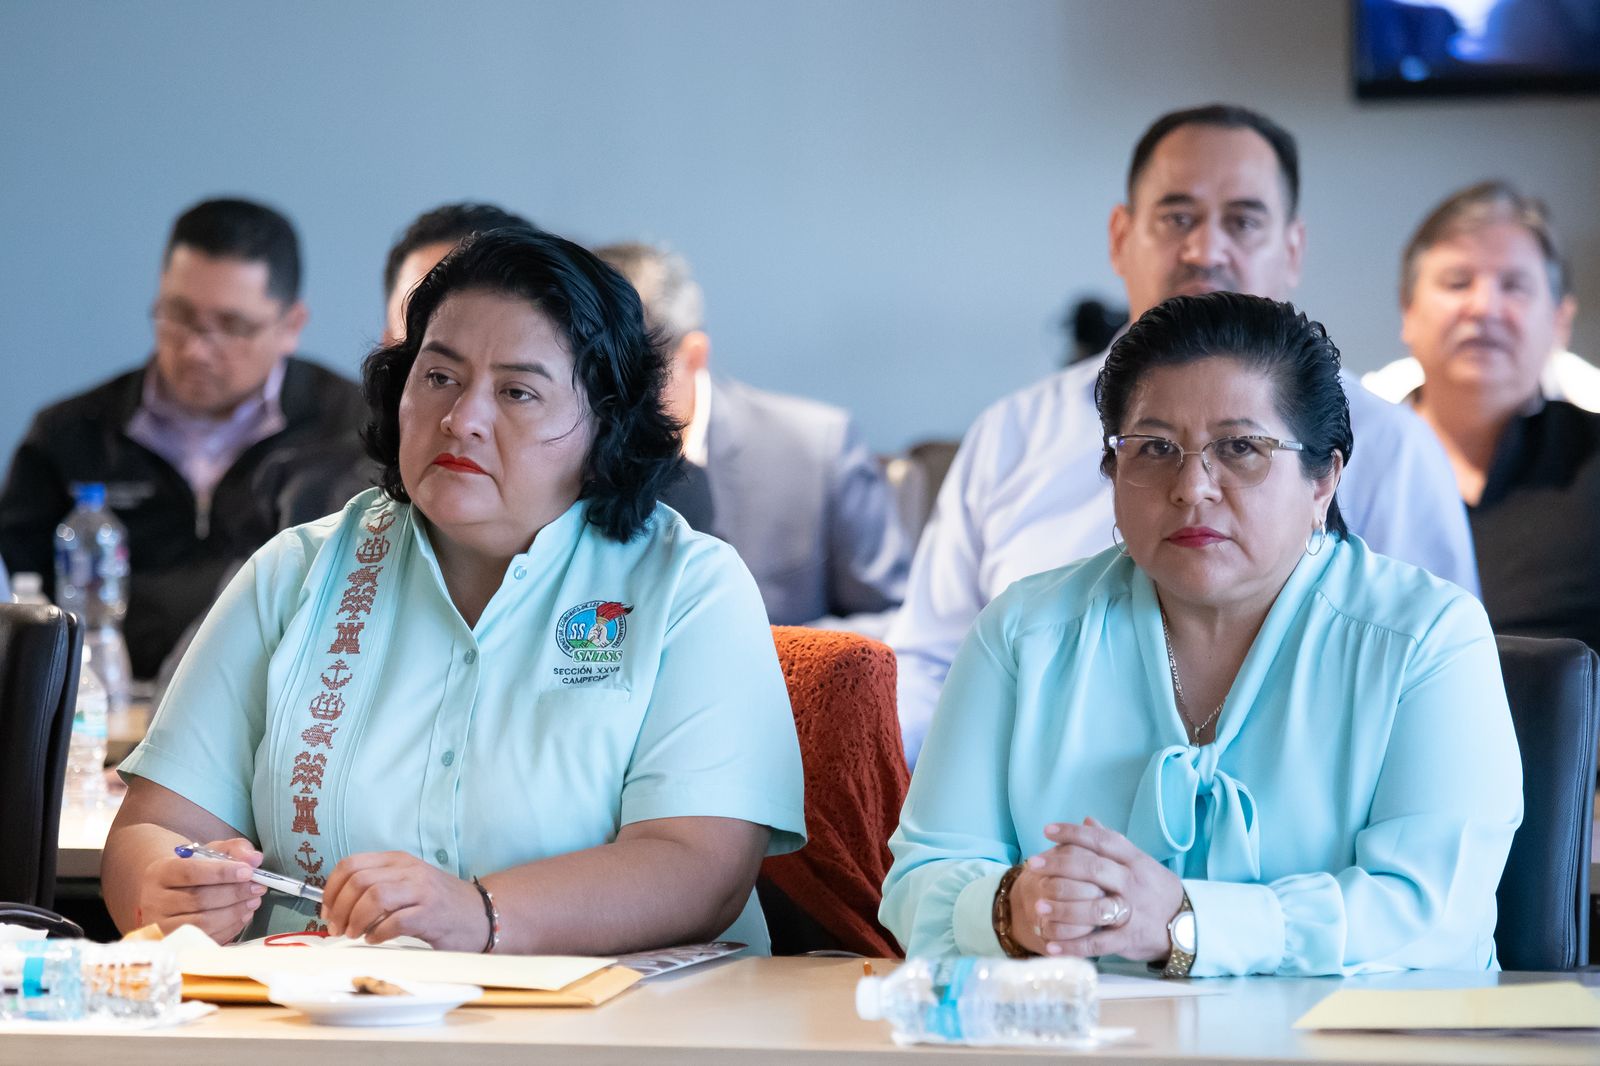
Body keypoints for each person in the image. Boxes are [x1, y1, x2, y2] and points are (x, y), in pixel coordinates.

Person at [103, 228, 806, 955]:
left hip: (619, 1013)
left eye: (518, 392)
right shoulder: (295, 573)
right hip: (319, 1009)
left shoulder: (689, 587)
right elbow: (153, 828)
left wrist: (481, 914)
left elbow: (702, 867)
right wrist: (164, 886)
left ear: (605, 426)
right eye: (439, 377)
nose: (462, 418)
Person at [881, 292, 1521, 976]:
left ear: (1323, 481)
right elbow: (919, 881)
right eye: (1155, 448)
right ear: (1112, 471)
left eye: (1240, 448)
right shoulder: (1022, 634)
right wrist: (1009, 908)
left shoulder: (1428, 638)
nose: (1191, 487)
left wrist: (1187, 923)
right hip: (1090, 1032)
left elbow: (1435, 918)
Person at [886, 104, 1478, 765]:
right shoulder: (1013, 433)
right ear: (1121, 237)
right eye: (1177, 219)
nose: (1204, 251)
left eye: (1243, 222)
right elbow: (928, 663)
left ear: (1292, 249)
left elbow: (1433, 679)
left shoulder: (1391, 446)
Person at [0, 199, 365, 678]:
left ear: (291, 325)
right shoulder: (71, 433)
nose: (196, 349)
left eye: (231, 326)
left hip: (285, 698)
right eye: (178, 315)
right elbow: (16, 596)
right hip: (106, 697)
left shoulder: (354, 428)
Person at [595, 241, 911, 635]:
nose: (610, 401)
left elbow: (902, 624)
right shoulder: (558, 460)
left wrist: (776, 653)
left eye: (634, 376)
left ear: (694, 356)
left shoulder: (816, 449)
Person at [1388, 181, 1598, 651]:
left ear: (1560, 321)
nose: (1484, 308)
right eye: (1457, 282)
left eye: (1514, 286)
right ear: (1408, 311)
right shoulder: (1346, 464)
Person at [252, 202, 541, 529]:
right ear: (387, 345)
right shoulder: (302, 494)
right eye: (421, 315)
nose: (464, 419)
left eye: (516, 391)